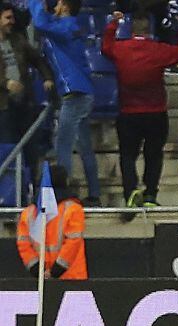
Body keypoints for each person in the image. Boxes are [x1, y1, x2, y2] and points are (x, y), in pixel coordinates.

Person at [101, 11, 178, 211]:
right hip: (155, 112)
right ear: (149, 31)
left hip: (128, 112)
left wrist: (113, 24)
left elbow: (105, 47)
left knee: (127, 155)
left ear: (131, 31)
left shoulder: (120, 48)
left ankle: (131, 191)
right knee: (154, 155)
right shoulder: (158, 50)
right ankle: (150, 194)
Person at [30, 0, 101, 206]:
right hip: (80, 92)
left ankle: (62, 195)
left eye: (59, 3)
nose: (55, 6)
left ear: (66, 7)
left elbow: (41, 25)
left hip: (75, 93)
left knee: (63, 144)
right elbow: (46, 22)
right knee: (85, 147)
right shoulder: (64, 25)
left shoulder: (67, 26)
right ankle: (94, 195)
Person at [16, 165, 87, 280]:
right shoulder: (73, 209)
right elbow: (73, 243)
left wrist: (38, 270)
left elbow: (24, 245)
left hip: (41, 279)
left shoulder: (28, 213)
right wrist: (55, 271)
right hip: (72, 276)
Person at [0, 2, 54, 146]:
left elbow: (37, 59)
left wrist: (47, 77)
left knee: (31, 147)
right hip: (3, 106)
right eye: (8, 18)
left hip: (24, 102)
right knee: (7, 149)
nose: (12, 22)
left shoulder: (18, 40)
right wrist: (6, 83)